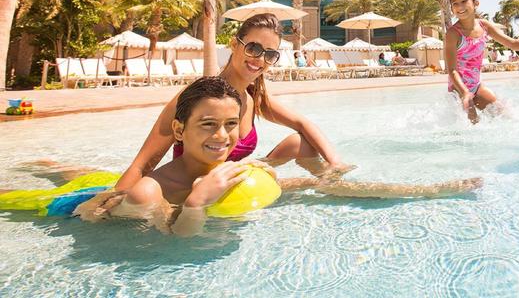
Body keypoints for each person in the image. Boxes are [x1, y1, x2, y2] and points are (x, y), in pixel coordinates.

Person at [77, 77, 482, 235]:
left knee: (310, 183)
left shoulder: (231, 169)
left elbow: (312, 185)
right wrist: (197, 204)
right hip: (110, 222)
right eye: (208, 125)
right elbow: (173, 247)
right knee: (72, 179)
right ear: (179, 130)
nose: (223, 136)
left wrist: (425, 191)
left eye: (231, 125)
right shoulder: (151, 192)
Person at [114, 13, 350, 192]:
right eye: (254, 48)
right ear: (235, 44)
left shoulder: (253, 97)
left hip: (231, 181)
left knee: (301, 143)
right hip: (196, 187)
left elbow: (302, 123)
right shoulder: (201, 96)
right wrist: (116, 204)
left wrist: (336, 165)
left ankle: (329, 184)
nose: (260, 59)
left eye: (269, 54)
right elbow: (144, 164)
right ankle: (326, 186)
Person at [446, 0, 519, 123]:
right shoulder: (453, 34)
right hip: (458, 89)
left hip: (476, 86)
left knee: (504, 114)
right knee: (472, 125)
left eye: (464, 1)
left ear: (475, 3)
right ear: (451, 8)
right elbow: (452, 70)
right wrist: (465, 93)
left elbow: (512, 43)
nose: (460, 6)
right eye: (455, 3)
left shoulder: (484, 26)